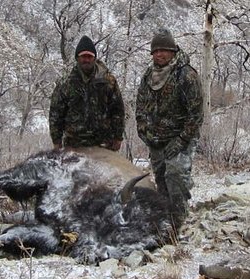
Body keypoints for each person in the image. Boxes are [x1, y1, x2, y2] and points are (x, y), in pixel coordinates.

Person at [136, 28, 203, 216]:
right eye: (155, 51)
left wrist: (181, 140)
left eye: (163, 50)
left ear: (173, 51)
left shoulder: (186, 75)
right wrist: (144, 131)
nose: (159, 54)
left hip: (181, 138)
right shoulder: (148, 76)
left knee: (175, 177)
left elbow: (196, 114)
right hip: (156, 140)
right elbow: (140, 107)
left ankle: (179, 218)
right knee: (161, 179)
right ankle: (166, 217)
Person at [50, 35, 125, 151]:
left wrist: (118, 137)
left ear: (94, 58)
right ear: (77, 58)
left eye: (89, 56)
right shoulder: (66, 83)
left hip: (104, 144)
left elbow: (118, 110)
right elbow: (56, 113)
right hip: (73, 145)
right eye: (83, 56)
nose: (86, 59)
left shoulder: (108, 81)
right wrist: (56, 141)